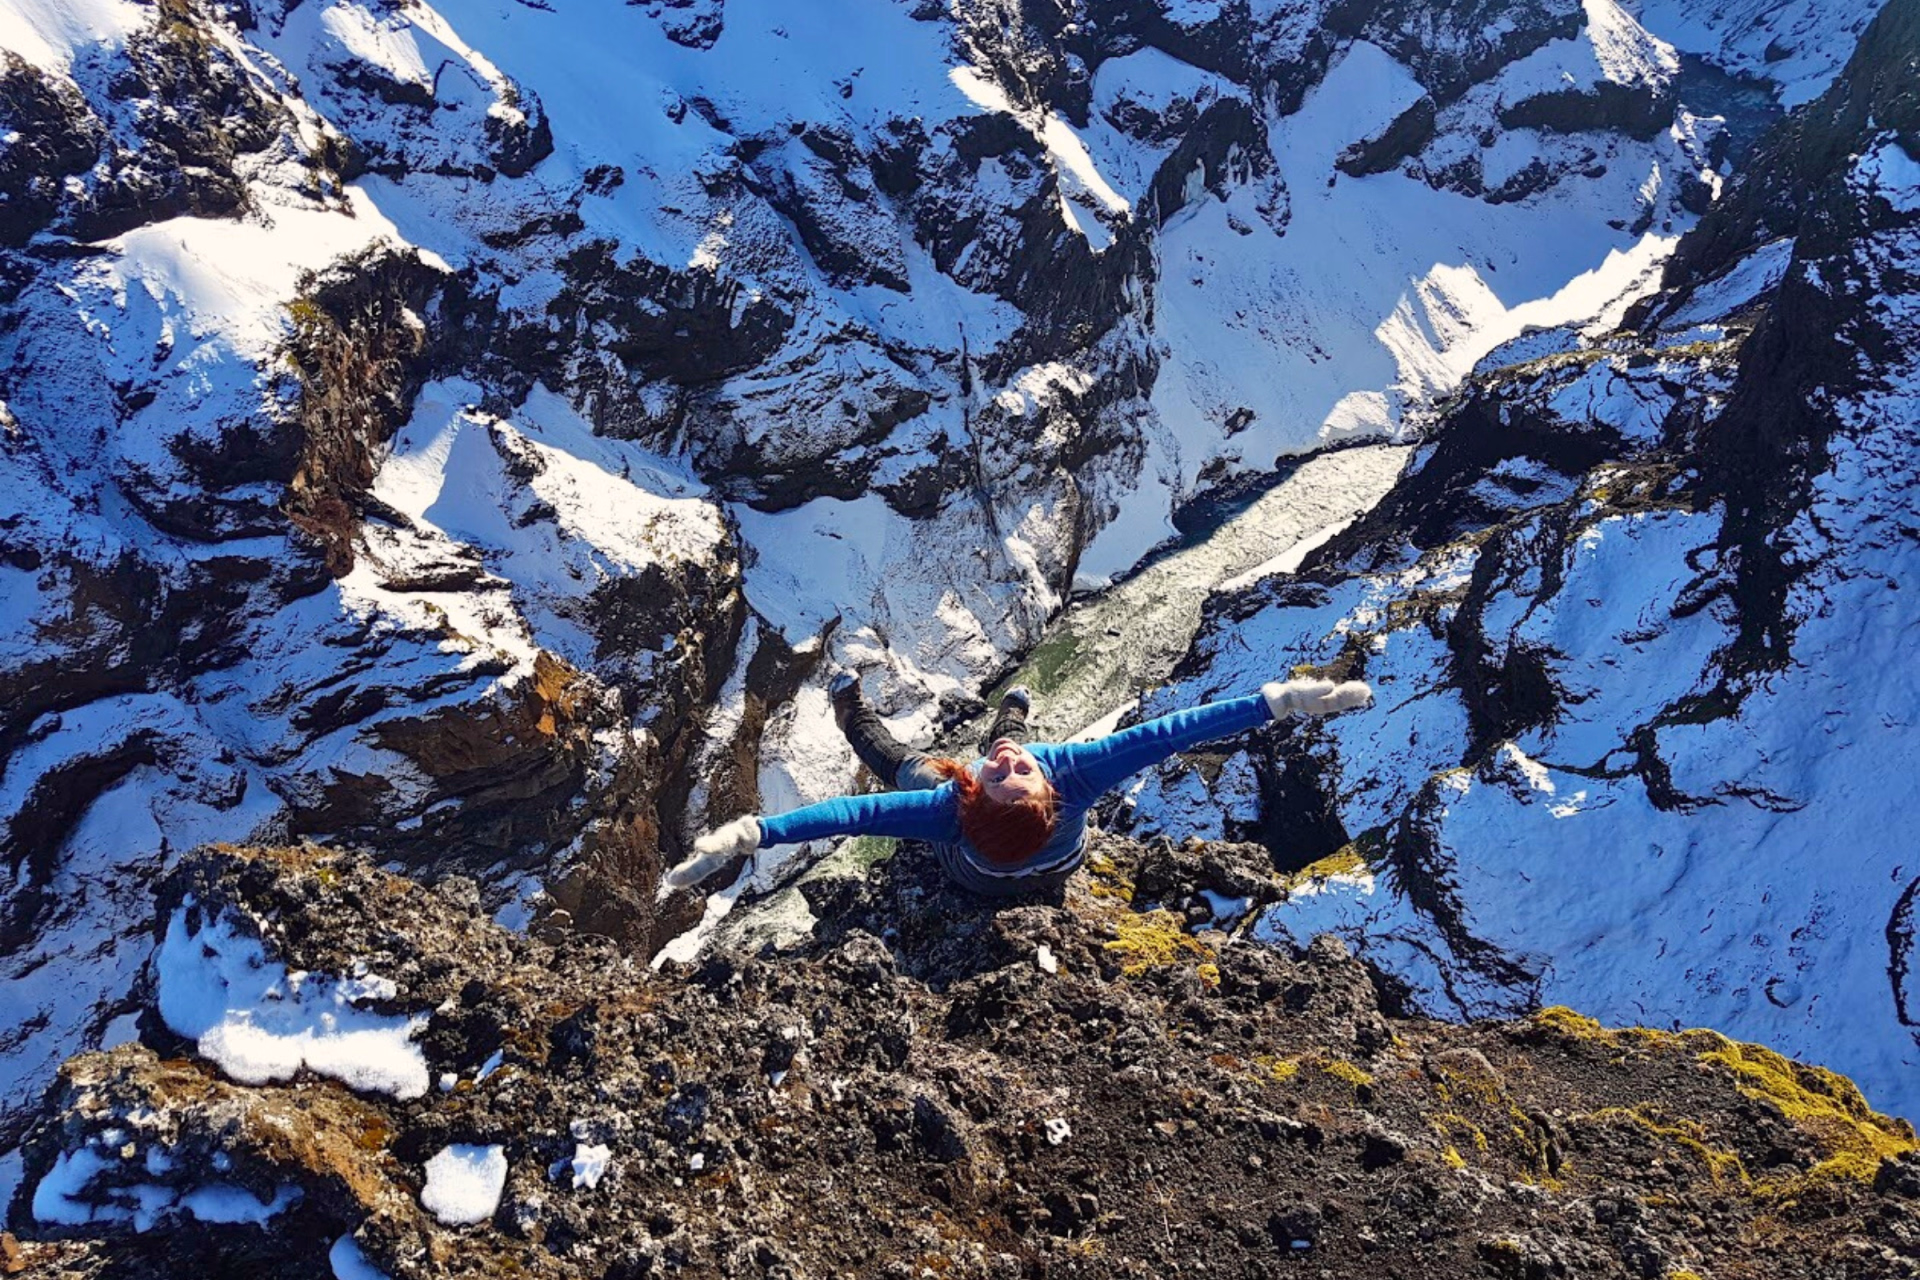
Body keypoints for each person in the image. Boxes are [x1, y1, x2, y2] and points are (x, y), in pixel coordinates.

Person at [665, 674, 1372, 897]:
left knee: (899, 761)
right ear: (1048, 790)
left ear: (972, 802)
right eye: (1016, 771)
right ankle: (1009, 713)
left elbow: (849, 812)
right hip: (1053, 868)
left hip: (978, 878)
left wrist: (754, 832)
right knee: (1009, 735)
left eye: (998, 774)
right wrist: (1281, 703)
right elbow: (1174, 732)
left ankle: (852, 714)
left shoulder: (945, 810)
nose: (1006, 765)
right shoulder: (1075, 775)